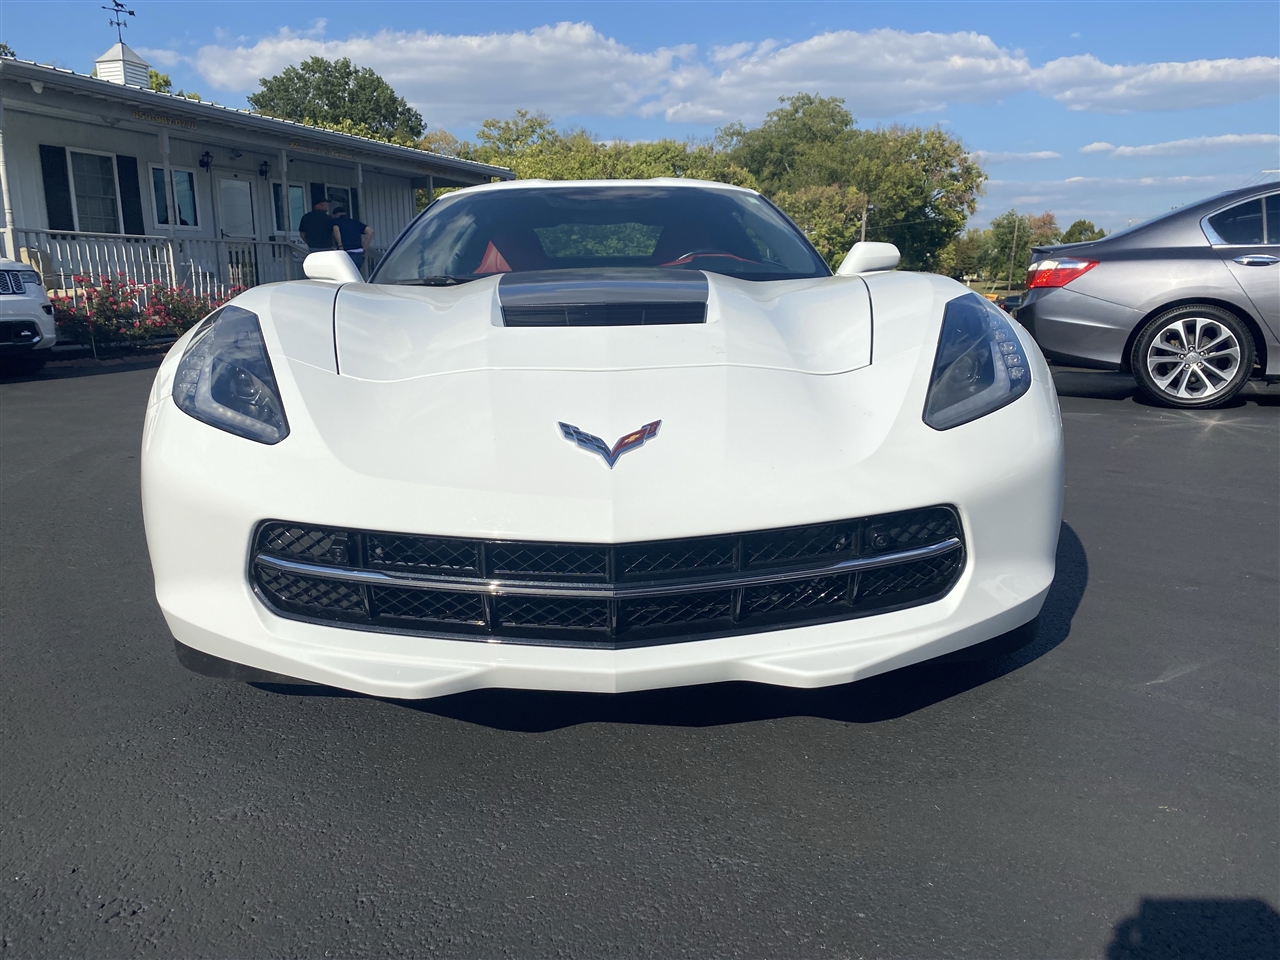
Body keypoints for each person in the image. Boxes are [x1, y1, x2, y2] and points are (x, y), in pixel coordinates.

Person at [331, 206, 373, 273]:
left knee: (345, 273)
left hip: (347, 252)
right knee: (356, 273)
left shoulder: (336, 222)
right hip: (359, 252)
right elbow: (370, 231)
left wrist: (340, 245)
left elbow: (336, 230)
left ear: (335, 215)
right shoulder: (355, 222)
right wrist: (365, 247)